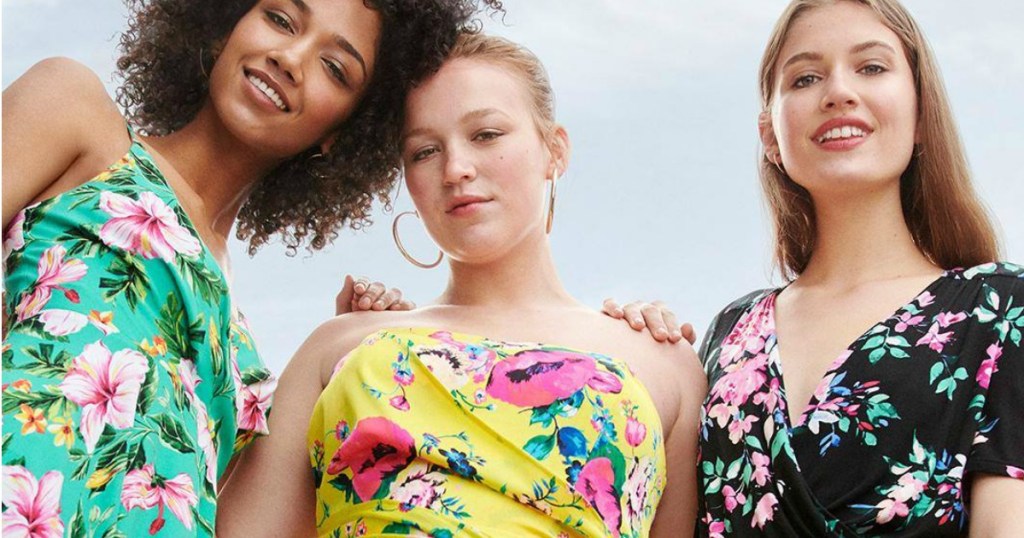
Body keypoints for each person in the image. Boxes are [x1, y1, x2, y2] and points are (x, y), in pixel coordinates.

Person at [0, 1, 495, 535]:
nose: (290, 57)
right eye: (281, 19)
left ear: (342, 133)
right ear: (224, 26)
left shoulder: (239, 343)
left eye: (335, 68)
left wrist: (344, 361)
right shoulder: (77, 115)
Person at [216, 32, 707, 537]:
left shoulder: (663, 361)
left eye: (487, 135)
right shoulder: (339, 346)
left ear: (554, 150)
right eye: (424, 151)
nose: (456, 169)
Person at [609, 0, 1023, 535]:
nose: (839, 92)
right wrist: (632, 351)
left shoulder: (999, 307)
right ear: (770, 137)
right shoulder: (730, 332)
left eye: (871, 68)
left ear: (922, 114)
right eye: (805, 78)